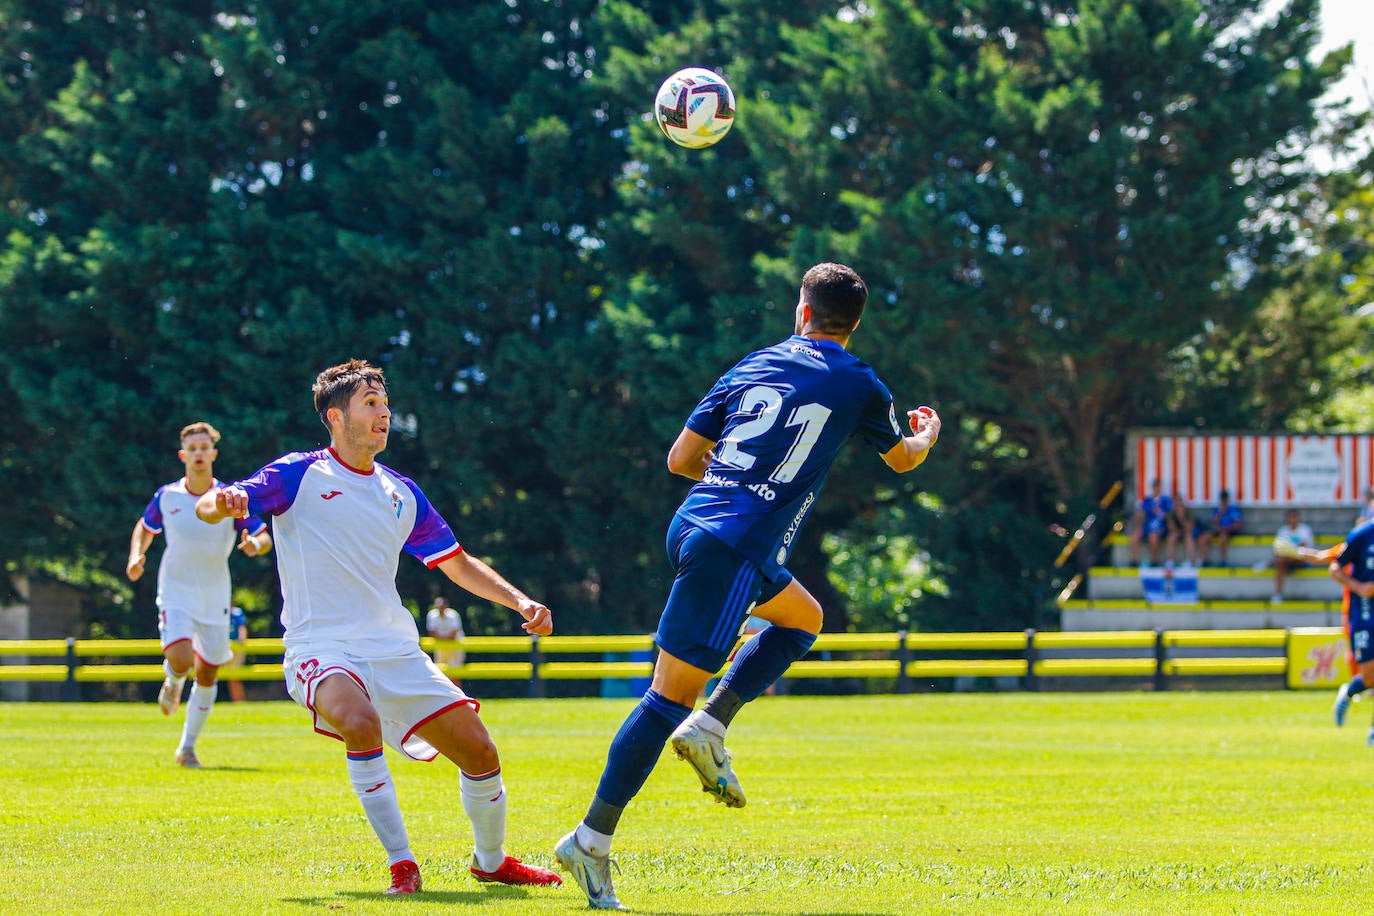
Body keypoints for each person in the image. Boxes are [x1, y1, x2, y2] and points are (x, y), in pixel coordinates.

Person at [553, 262, 941, 910]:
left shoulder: (753, 365)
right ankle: (590, 842)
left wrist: (734, 481)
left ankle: (711, 726)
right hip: (734, 548)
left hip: (697, 525)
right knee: (664, 701)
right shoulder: (861, 384)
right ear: (854, 321)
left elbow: (680, 459)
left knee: (803, 618)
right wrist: (925, 436)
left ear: (803, 311)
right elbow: (900, 456)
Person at [194, 359, 561, 896]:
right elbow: (215, 502)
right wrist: (218, 502)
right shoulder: (297, 473)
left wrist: (519, 600)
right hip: (321, 648)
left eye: (385, 406)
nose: (384, 414)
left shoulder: (401, 491)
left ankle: (490, 861)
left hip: (396, 650)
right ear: (335, 417)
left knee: (480, 751)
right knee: (359, 721)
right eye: (371, 404)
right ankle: (402, 864)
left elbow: (456, 562)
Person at [126, 421, 272, 768]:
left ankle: (187, 747)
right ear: (183, 456)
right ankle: (174, 680)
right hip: (175, 589)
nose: (198, 454)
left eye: (204, 448)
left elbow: (263, 535)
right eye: (192, 449)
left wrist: (255, 545)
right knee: (180, 659)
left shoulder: (227, 498)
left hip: (215, 595)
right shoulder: (168, 496)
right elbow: (145, 528)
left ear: (213, 454)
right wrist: (136, 555)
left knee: (207, 674)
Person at [1315, 521, 1374, 743]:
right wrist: (1358, 587)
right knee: (1370, 675)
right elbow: (1335, 567)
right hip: (1365, 613)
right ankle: (1349, 691)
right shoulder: (1362, 535)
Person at [1266, 508, 1315, 603]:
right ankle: (1278, 594)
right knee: (1280, 561)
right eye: (1290, 518)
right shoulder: (1282, 531)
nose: (1292, 520)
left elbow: (1303, 548)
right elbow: (1277, 549)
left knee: (1282, 560)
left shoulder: (1304, 530)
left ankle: (1270, 564)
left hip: (1302, 560)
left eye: (1294, 517)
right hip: (1286, 560)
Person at [1127, 479, 1176, 567]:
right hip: (1147, 526)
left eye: (1158, 487)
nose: (1156, 489)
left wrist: (1160, 512)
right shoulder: (1147, 500)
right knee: (1134, 537)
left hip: (1161, 527)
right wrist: (1139, 523)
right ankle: (1134, 560)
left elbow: (1170, 516)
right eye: (1155, 487)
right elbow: (1141, 513)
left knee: (1153, 536)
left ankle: (1154, 560)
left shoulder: (1166, 500)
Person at [1194, 490, 1243, 567]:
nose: (1223, 501)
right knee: (1202, 539)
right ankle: (1206, 559)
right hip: (1217, 530)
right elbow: (1213, 522)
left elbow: (1237, 524)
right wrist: (1220, 513)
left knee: (1223, 538)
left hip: (1228, 530)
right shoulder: (1217, 509)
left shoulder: (1232, 509)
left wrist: (1225, 528)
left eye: (1225, 499)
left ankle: (1223, 560)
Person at [425, 596, 466, 686]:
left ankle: (458, 695)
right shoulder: (432, 615)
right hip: (440, 646)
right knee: (439, 671)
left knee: (455, 672)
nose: (440, 608)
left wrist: (441, 638)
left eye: (442, 605)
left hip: (455, 646)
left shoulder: (453, 615)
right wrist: (444, 639)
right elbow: (431, 633)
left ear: (446, 606)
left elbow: (454, 634)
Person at [226, 605, 249, 702]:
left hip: (236, 649)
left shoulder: (236, 612)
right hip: (223, 648)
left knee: (234, 678)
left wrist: (242, 637)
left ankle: (239, 701)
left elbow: (242, 628)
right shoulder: (218, 612)